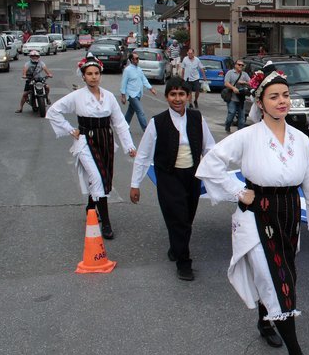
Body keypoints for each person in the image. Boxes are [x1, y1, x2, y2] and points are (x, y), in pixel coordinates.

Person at [195, 66, 309, 355]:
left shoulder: (301, 139)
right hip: (259, 212)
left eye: (285, 95)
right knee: (277, 279)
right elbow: (210, 163)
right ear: (260, 102)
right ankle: (296, 354)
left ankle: (265, 319)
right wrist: (237, 191)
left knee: (285, 272)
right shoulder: (247, 136)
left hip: (288, 210)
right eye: (274, 96)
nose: (282, 101)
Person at [129, 77, 215, 281]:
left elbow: (210, 148)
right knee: (179, 219)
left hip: (192, 176)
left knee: (187, 218)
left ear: (187, 96)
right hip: (168, 176)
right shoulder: (156, 122)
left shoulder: (197, 118)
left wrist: (215, 174)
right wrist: (135, 184)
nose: (177, 98)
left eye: (181, 94)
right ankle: (183, 263)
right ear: (167, 96)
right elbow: (143, 155)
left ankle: (176, 248)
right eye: (173, 94)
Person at [46, 53, 137, 239]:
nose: (93, 77)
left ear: (100, 74)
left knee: (104, 176)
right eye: (89, 73)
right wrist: (70, 130)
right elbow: (54, 111)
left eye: (96, 73)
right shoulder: (77, 96)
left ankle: (91, 205)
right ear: (83, 76)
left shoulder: (109, 97)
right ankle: (106, 223)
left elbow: (119, 123)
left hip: (105, 140)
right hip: (86, 141)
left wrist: (129, 146)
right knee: (97, 177)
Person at [120, 51, 157, 130]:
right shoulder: (127, 70)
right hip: (131, 95)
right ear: (131, 60)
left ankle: (124, 126)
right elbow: (123, 83)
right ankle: (145, 129)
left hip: (138, 94)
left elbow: (144, 80)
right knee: (140, 112)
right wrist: (123, 96)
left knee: (130, 112)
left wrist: (151, 88)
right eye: (136, 58)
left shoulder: (139, 69)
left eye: (138, 58)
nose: (138, 60)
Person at [223, 59, 251, 132]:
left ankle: (240, 132)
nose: (241, 66)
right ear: (235, 65)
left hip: (241, 98)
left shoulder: (244, 74)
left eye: (242, 65)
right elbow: (226, 83)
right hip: (232, 98)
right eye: (239, 64)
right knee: (231, 114)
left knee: (242, 117)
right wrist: (233, 88)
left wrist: (244, 82)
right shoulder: (230, 73)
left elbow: (251, 83)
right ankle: (227, 126)